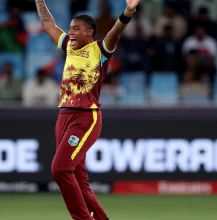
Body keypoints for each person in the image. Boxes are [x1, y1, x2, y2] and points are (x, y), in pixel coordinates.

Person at [35, 0, 140, 219]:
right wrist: (39, 1)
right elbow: (48, 24)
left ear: (89, 32)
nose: (70, 33)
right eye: (70, 28)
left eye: (75, 29)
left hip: (85, 117)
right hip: (63, 115)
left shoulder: (100, 49)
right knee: (78, 178)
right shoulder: (68, 47)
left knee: (60, 169)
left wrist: (128, 12)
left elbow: (116, 31)